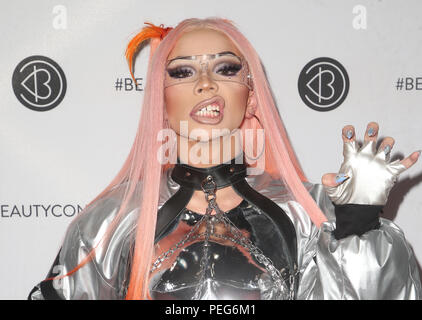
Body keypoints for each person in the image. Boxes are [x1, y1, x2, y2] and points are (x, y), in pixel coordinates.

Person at [28, 18, 421, 300]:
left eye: (225, 68)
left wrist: (359, 222)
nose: (205, 84)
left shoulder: (310, 214)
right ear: (159, 99)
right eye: (182, 72)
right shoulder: (110, 222)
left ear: (251, 94)